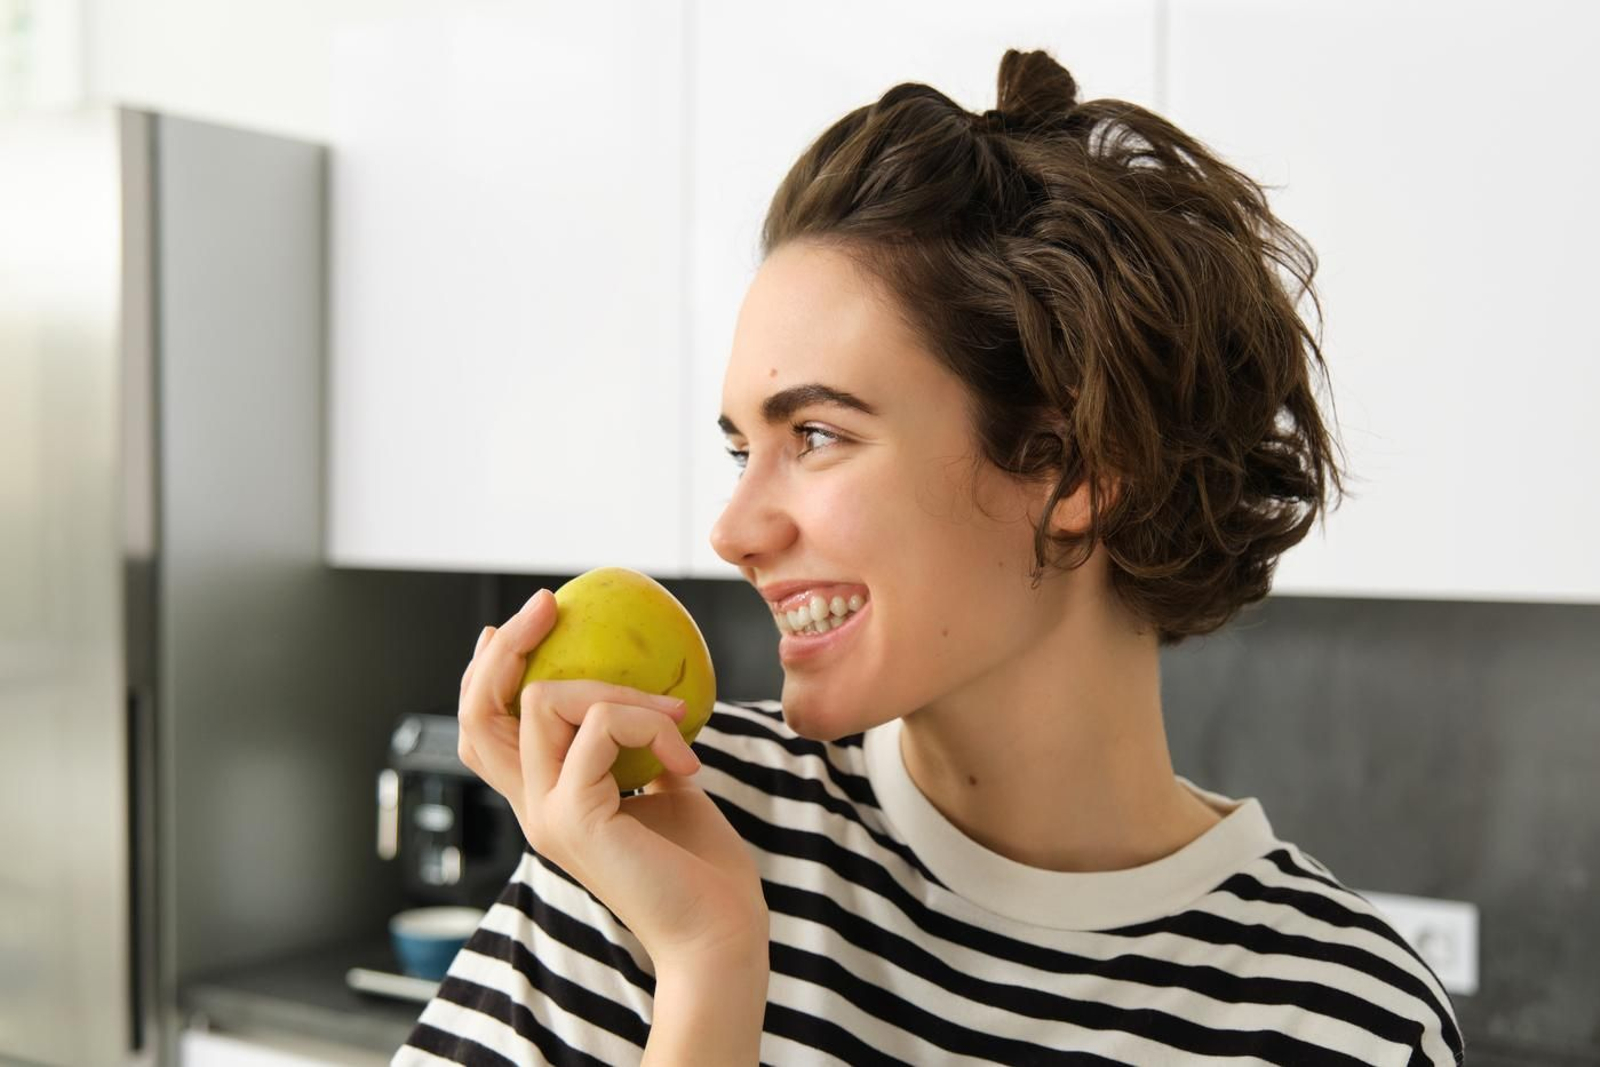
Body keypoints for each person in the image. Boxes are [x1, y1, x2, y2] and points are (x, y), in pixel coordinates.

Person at [395, 48, 1464, 1066]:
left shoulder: (1345, 1016)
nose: (731, 529)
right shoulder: (660, 829)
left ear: (1070, 466)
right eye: (739, 448)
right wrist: (705, 963)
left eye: (814, 434)